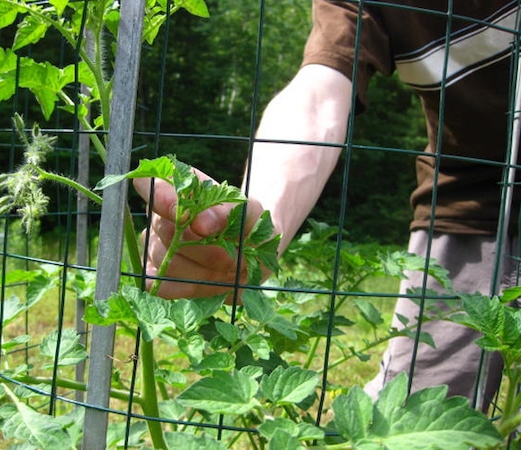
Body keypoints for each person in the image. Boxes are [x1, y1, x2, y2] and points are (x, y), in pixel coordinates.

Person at [133, 1, 521, 410]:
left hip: (468, 205)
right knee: (415, 416)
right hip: (472, 208)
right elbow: (320, 92)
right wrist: (261, 228)